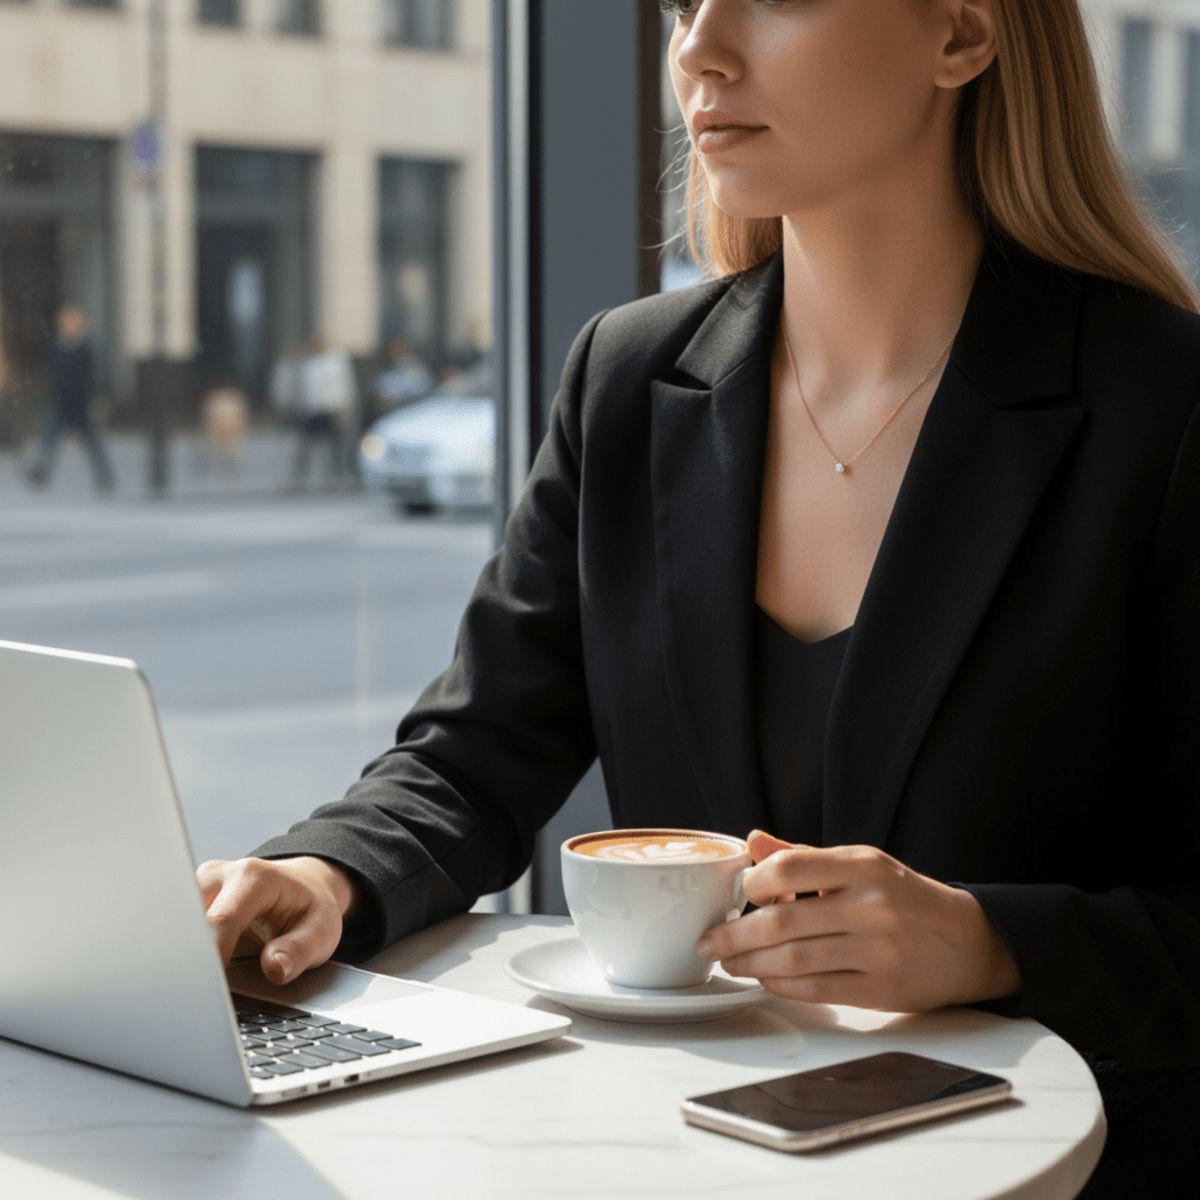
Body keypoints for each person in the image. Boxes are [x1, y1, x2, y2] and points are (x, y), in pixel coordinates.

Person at [199, 3, 1200, 1194]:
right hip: (686, 1153)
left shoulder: (1164, 409)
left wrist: (987, 943)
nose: (697, 52)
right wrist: (325, 877)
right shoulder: (626, 380)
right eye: (682, 4)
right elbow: (476, 753)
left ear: (962, 38)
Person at [27, 304, 115, 492]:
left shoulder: (91, 346)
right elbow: (51, 374)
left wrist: (99, 398)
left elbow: (100, 374)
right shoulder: (55, 346)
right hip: (59, 401)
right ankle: (42, 471)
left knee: (93, 442)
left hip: (84, 400)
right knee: (49, 438)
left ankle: (104, 475)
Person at [290, 335, 357, 489]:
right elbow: (302, 389)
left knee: (335, 447)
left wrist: (345, 409)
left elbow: (345, 387)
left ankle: (336, 476)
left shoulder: (335, 363)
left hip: (332, 409)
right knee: (306, 446)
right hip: (311, 410)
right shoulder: (306, 364)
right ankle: (300, 477)